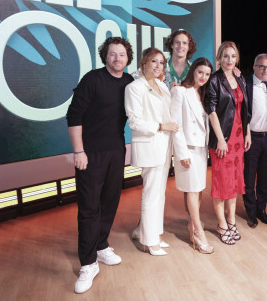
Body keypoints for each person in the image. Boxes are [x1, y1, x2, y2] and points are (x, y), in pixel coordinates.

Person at [66, 37, 134, 294]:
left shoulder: (130, 82)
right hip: (90, 153)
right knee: (88, 208)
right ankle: (87, 263)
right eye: (113, 54)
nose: (117, 59)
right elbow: (74, 115)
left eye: (122, 55)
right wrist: (78, 151)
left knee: (110, 201)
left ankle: (101, 246)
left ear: (128, 58)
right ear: (105, 56)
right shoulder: (92, 80)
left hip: (116, 151)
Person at [125, 48, 179, 256]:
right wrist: (160, 126)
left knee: (159, 193)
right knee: (151, 194)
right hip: (150, 144)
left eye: (161, 63)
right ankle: (149, 241)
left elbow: (169, 109)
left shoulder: (161, 86)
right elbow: (135, 121)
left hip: (164, 146)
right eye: (154, 62)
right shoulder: (134, 87)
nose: (158, 66)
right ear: (144, 63)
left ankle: (152, 232)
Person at [205, 41, 251, 245]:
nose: (229, 60)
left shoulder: (240, 79)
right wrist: (221, 140)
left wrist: (248, 132)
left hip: (239, 138)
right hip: (223, 139)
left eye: (233, 56)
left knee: (233, 181)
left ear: (237, 58)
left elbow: (244, 110)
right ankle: (221, 223)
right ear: (219, 58)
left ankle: (231, 219)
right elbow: (211, 111)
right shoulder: (214, 80)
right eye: (225, 56)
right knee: (221, 182)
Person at [171, 58, 215, 254]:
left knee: (198, 190)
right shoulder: (180, 91)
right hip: (187, 149)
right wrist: (181, 152)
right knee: (191, 190)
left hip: (201, 149)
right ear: (193, 72)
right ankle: (198, 232)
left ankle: (192, 226)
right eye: (200, 72)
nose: (203, 77)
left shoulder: (202, 93)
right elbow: (175, 124)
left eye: (207, 74)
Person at [243, 54, 267, 228]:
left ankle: (261, 210)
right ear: (254, 66)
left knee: (265, 178)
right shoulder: (245, 84)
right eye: (261, 66)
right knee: (249, 178)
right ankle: (251, 213)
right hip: (251, 139)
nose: (265, 70)